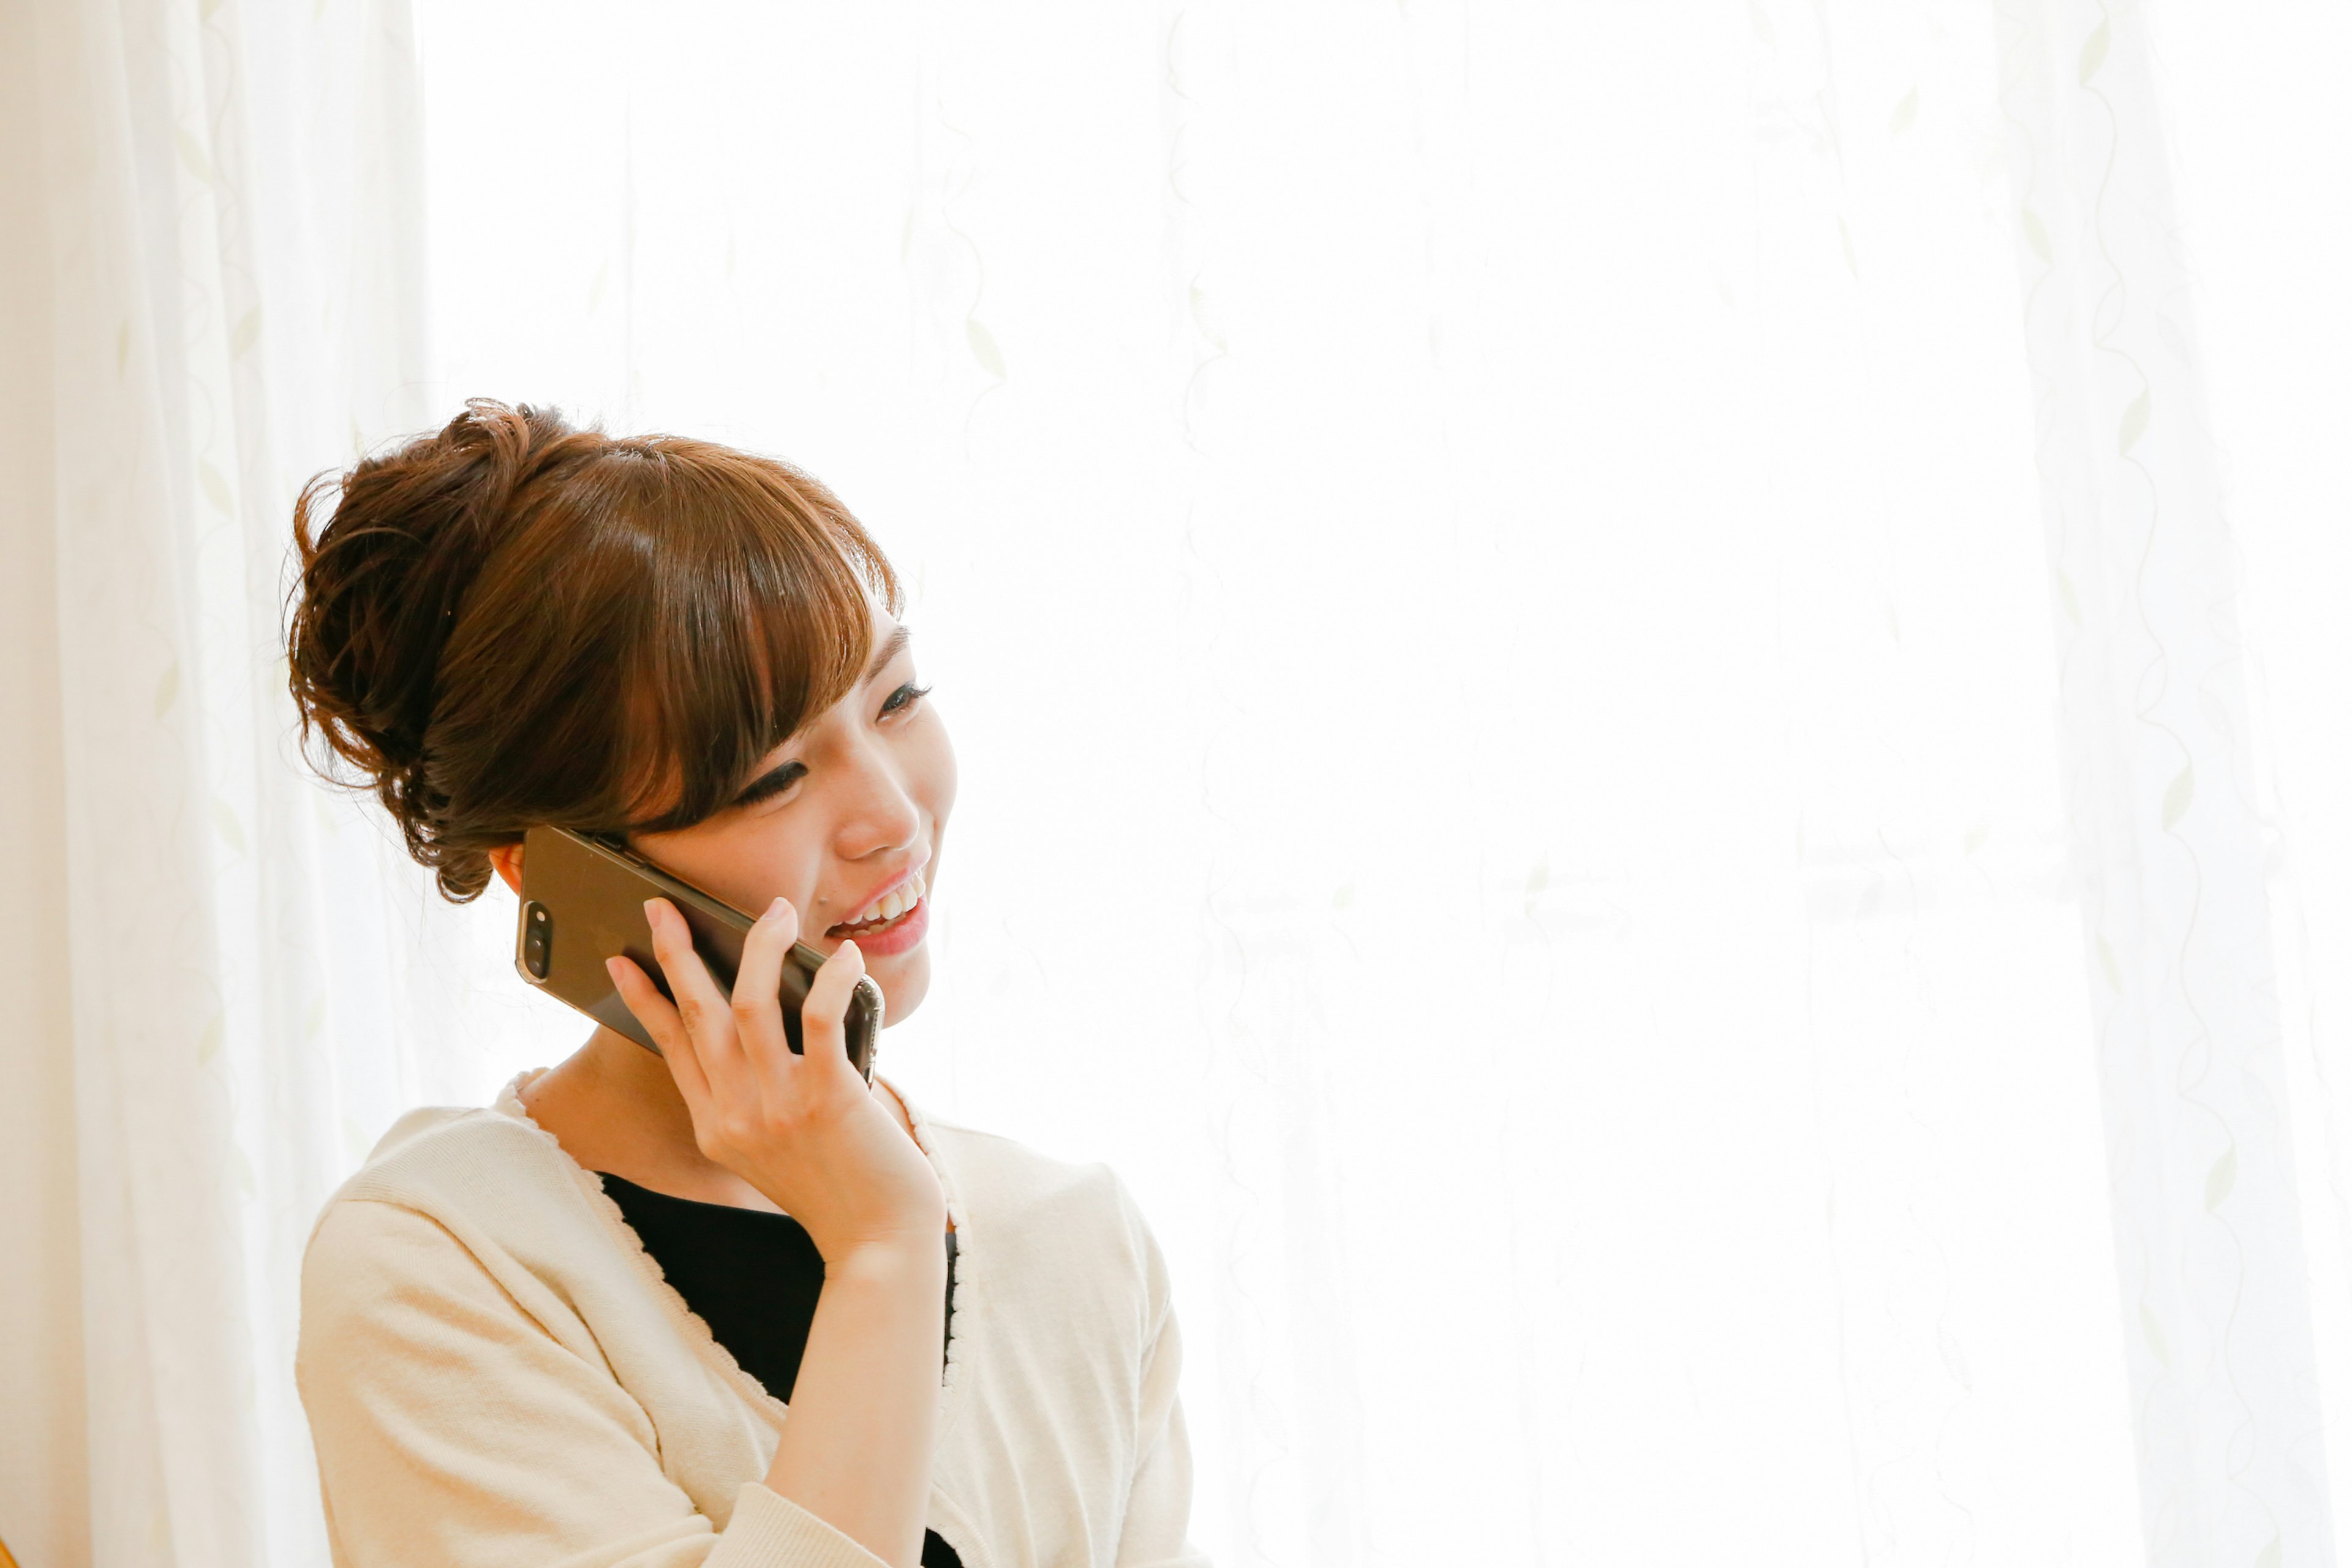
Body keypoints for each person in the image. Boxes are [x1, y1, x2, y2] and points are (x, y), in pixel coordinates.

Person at [286, 401, 1206, 1568]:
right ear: (553, 865)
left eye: (897, 700)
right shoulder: (441, 1268)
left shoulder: (1077, 1241)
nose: (891, 815)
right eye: (773, 775)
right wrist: (880, 1247)